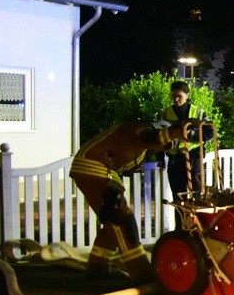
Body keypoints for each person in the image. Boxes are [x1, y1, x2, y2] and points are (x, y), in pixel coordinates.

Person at [70, 120, 193, 280]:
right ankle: (141, 271)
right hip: (94, 168)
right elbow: (150, 137)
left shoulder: (143, 146)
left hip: (103, 170)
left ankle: (98, 266)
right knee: (121, 219)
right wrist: (175, 131)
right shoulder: (140, 129)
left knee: (111, 221)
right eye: (165, 144)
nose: (163, 147)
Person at [161, 81, 212, 209]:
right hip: (175, 160)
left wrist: (191, 135)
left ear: (187, 95)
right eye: (173, 96)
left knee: (197, 197)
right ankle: (181, 226)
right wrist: (160, 158)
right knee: (178, 199)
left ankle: (198, 226)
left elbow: (210, 131)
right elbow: (161, 135)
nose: (176, 99)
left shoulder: (198, 112)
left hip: (194, 159)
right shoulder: (167, 113)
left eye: (179, 96)